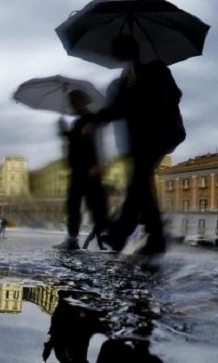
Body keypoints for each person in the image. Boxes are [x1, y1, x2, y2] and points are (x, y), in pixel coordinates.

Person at [92, 34, 186, 257]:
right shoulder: (123, 79)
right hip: (139, 141)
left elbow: (174, 95)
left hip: (161, 133)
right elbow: (117, 109)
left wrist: (140, 86)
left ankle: (132, 234)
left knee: (139, 180)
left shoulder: (156, 69)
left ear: (129, 51)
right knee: (139, 184)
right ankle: (136, 235)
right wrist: (95, 120)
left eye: (118, 53)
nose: (116, 58)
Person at [54, 89, 109, 251]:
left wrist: (98, 164)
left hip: (88, 168)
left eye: (74, 100)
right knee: (75, 204)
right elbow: (74, 139)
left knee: (93, 205)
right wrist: (63, 130)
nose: (72, 104)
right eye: (71, 101)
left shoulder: (91, 119)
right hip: (78, 168)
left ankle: (110, 235)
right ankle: (72, 239)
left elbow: (98, 143)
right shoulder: (79, 121)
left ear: (83, 101)